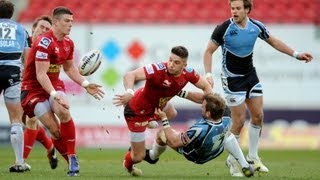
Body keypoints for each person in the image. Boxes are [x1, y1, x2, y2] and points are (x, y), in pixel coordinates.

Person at [203, 0, 314, 177]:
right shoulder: (223, 28)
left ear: (247, 9)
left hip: (250, 76)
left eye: (238, 8)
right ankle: (233, 161)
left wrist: (296, 54)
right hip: (232, 79)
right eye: (232, 8)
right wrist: (208, 74)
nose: (234, 11)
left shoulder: (256, 26)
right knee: (238, 122)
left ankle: (253, 157)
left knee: (258, 116)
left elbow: (274, 42)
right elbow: (208, 51)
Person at [21, 6, 104, 176]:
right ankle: (67, 160)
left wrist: (86, 84)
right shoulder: (44, 42)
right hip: (32, 89)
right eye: (67, 21)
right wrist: (54, 95)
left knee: (64, 112)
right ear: (56, 22)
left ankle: (73, 157)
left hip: (54, 84)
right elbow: (41, 75)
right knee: (54, 129)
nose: (70, 25)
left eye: (72, 22)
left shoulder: (68, 43)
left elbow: (70, 69)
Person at [113, 46, 213, 176]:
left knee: (172, 113)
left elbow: (206, 87)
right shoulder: (157, 69)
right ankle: (128, 165)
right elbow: (130, 75)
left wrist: (208, 105)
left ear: (184, 64)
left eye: (176, 62)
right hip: (136, 111)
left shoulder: (188, 73)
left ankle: (150, 120)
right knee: (138, 157)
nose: (171, 65)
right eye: (170, 60)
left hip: (157, 107)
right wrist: (129, 92)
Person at [147, 93, 255, 177]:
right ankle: (245, 165)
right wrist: (179, 91)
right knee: (228, 134)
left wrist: (164, 118)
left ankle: (152, 156)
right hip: (217, 150)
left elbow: (174, 142)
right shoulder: (226, 115)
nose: (201, 107)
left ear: (208, 113)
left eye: (203, 107)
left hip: (197, 156)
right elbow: (213, 99)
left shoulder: (199, 130)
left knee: (162, 134)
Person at [23, 15, 58, 170]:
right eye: (41, 27)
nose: (44, 31)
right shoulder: (22, 42)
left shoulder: (47, 47)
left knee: (30, 121)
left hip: (32, 89)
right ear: (33, 29)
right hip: (15, 84)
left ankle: (20, 161)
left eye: (47, 29)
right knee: (28, 122)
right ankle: (50, 146)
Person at [0, 0, 30, 172]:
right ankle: (19, 162)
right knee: (16, 119)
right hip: (12, 71)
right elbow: (26, 59)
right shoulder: (21, 29)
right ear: (11, 13)